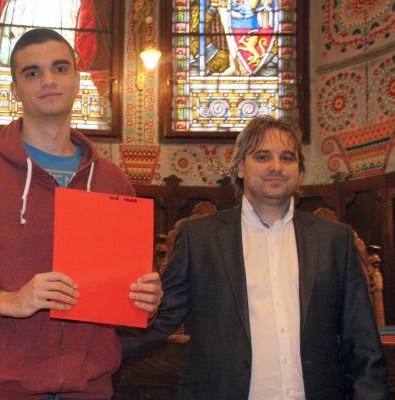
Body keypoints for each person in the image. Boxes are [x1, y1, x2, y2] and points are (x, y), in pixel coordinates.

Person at [0, 28, 162, 400]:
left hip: (90, 391)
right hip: (0, 391)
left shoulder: (112, 180)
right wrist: (5, 301)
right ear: (15, 90)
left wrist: (146, 300)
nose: (48, 80)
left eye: (60, 68)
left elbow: (130, 293)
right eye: (32, 72)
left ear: (77, 80)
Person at [121, 116, 389, 399]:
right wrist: (100, 348)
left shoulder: (334, 239)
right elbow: (161, 318)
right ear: (240, 167)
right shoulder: (199, 238)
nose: (276, 166)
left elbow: (362, 341)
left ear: (298, 169)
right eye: (263, 156)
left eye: (287, 157)